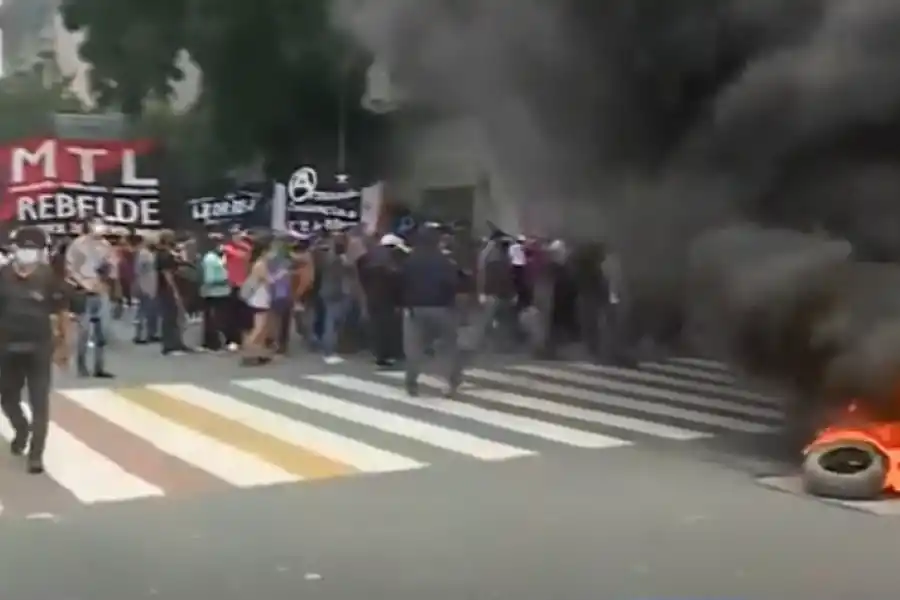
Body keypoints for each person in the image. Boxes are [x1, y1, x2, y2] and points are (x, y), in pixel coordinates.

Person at [0, 226, 70, 474]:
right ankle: (21, 429)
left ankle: (36, 455)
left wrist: (63, 345)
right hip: (6, 348)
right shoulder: (2, 274)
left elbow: (62, 311)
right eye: (25, 247)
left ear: (41, 252)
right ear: (14, 249)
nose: (29, 253)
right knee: (7, 399)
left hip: (39, 347)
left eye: (34, 249)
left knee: (40, 401)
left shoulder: (50, 277)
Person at [401, 227, 463, 397]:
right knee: (448, 346)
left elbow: (401, 282)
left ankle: (411, 382)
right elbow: (453, 283)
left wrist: (405, 303)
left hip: (416, 308)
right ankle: (451, 383)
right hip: (442, 307)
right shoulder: (445, 261)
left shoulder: (410, 260)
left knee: (414, 347)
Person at [65, 216, 115, 378]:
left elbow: (111, 267)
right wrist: (82, 283)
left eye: (102, 224)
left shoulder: (106, 246)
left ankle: (99, 367)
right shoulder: (78, 245)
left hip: (101, 291)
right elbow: (70, 268)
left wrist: (107, 278)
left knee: (102, 332)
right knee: (84, 332)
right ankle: (81, 366)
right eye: (96, 224)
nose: (100, 227)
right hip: (83, 291)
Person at [156, 230, 191, 356]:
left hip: (174, 286)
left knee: (177, 317)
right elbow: (167, 274)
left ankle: (178, 343)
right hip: (167, 289)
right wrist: (174, 290)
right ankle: (169, 346)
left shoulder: (170, 253)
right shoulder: (163, 255)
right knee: (169, 318)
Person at [200, 235, 230, 351]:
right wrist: (225, 280)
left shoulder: (217, 257)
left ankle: (215, 341)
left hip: (219, 292)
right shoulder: (211, 259)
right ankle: (212, 343)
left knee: (216, 318)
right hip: (214, 292)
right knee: (213, 319)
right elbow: (210, 278)